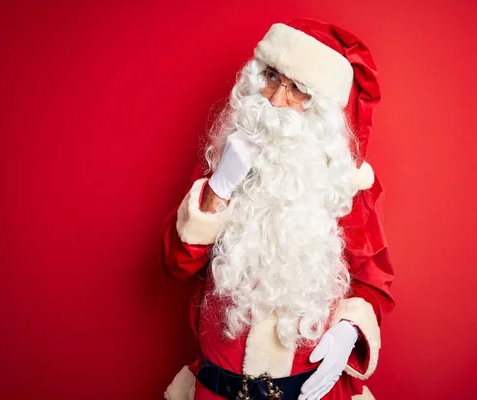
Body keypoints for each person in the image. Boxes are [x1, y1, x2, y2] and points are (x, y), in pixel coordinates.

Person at [161, 19, 395, 400]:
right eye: (271, 77)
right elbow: (175, 265)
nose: (274, 100)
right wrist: (220, 186)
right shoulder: (223, 166)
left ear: (321, 111)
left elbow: (374, 283)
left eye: (297, 89)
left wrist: (350, 330)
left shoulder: (344, 187)